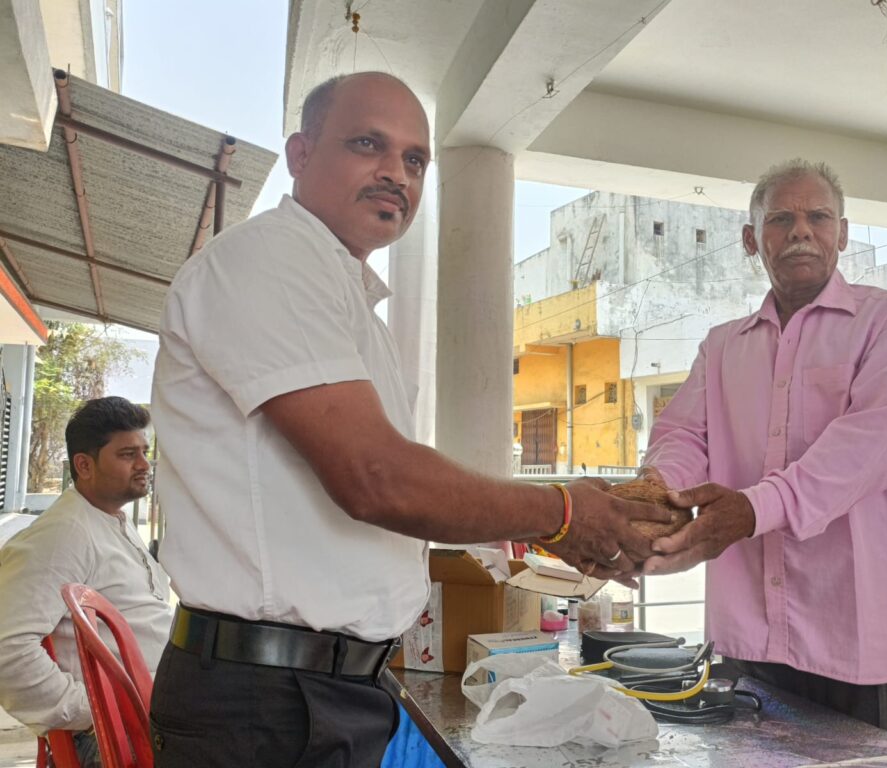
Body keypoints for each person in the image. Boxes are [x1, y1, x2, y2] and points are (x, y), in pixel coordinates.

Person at [149, 71, 667, 768]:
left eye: (415, 160)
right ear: (301, 154)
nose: (397, 173)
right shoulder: (268, 259)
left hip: (320, 692)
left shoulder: (346, 295)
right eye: (368, 144)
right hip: (267, 705)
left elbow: (393, 479)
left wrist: (563, 514)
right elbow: (377, 478)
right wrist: (561, 513)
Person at [642, 160, 887, 754]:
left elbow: (868, 447)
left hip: (876, 645)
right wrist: (653, 492)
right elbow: (684, 435)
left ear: (843, 233)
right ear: (750, 238)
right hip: (754, 643)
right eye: (781, 218)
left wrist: (751, 510)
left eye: (819, 217)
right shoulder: (722, 345)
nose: (801, 231)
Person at [0, 397, 171, 768]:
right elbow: (7, 651)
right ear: (84, 465)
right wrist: (93, 709)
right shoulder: (63, 534)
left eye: (144, 452)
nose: (144, 465)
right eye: (127, 454)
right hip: (121, 737)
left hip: (156, 715)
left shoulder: (109, 519)